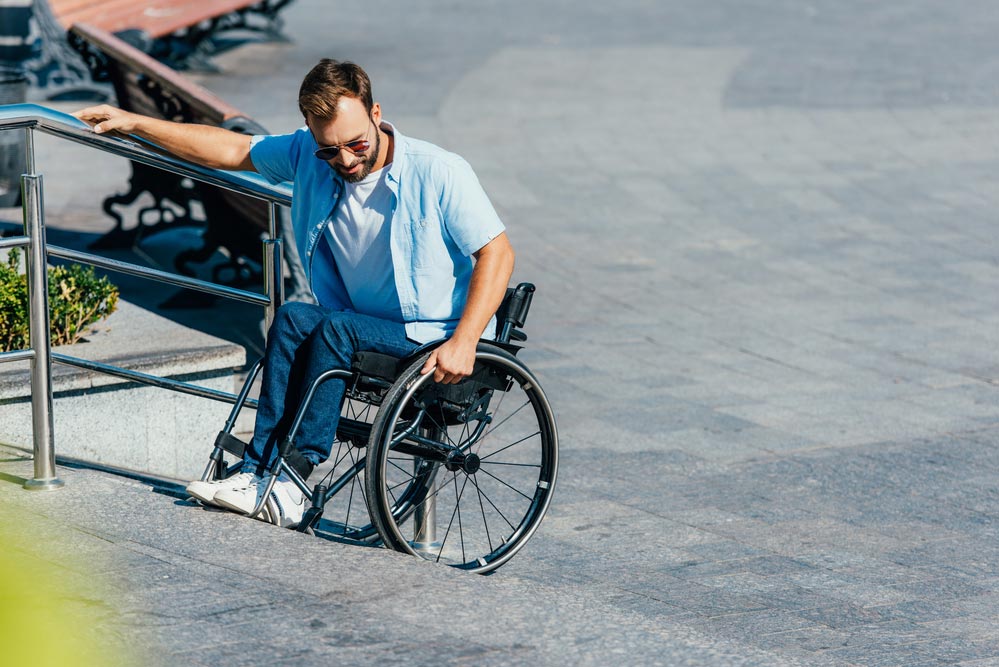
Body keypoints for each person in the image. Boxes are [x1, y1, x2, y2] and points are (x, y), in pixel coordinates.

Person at [75, 60, 514, 527]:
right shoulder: (308, 154)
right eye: (329, 151)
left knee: (336, 329)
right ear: (309, 132)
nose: (344, 160)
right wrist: (137, 123)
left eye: (355, 144)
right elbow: (234, 149)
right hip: (359, 325)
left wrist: (464, 342)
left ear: (376, 112)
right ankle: (256, 472)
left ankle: (294, 481)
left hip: (432, 336)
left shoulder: (439, 171)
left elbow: (498, 253)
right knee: (293, 318)